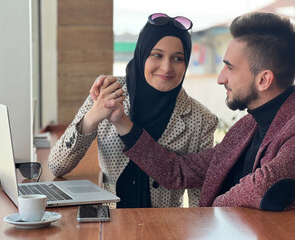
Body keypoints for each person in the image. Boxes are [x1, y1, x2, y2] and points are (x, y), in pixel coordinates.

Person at [101, 12, 295, 211]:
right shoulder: (246, 127)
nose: (221, 78)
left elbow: (266, 188)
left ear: (263, 80)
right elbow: (179, 171)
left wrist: (210, 212)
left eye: (230, 68)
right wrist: (123, 122)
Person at [48, 13, 218, 208]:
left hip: (164, 230)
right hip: (110, 225)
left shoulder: (202, 119)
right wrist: (91, 118)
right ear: (142, 54)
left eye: (178, 58)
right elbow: (57, 165)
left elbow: (201, 201)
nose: (166, 67)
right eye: (157, 55)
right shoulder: (109, 91)